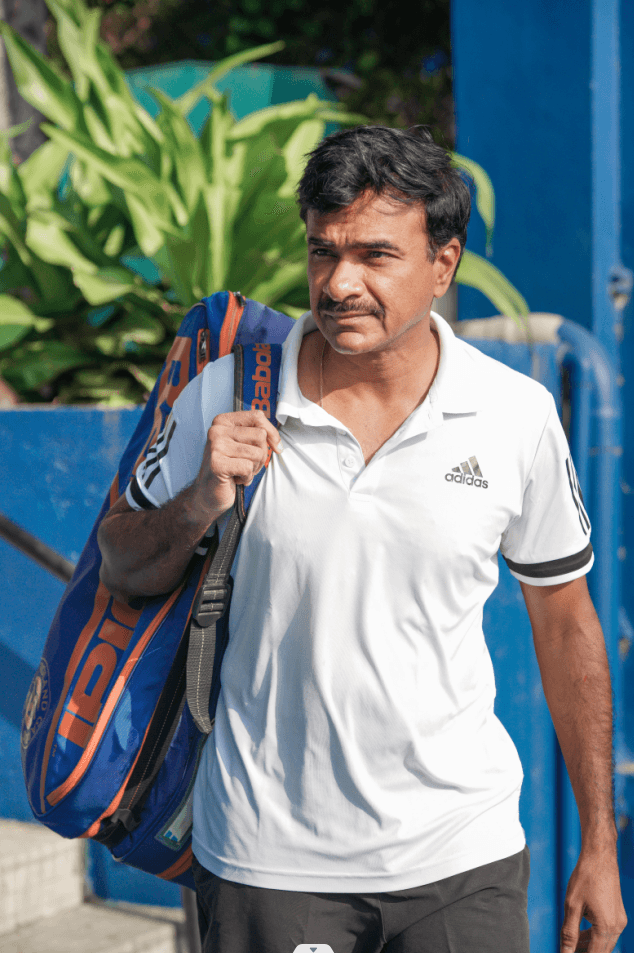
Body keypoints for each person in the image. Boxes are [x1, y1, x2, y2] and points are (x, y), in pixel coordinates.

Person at [97, 125, 627, 953]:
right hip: (269, 862)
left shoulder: (515, 415)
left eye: (376, 255)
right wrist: (199, 499)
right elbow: (120, 561)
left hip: (464, 857)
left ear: (443, 264)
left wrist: (600, 841)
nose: (340, 282)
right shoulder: (227, 394)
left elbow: (566, 624)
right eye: (324, 252)